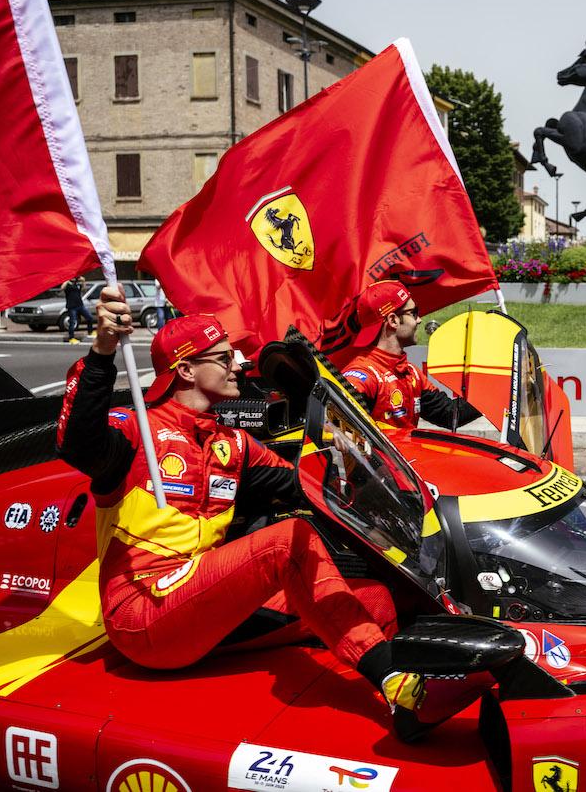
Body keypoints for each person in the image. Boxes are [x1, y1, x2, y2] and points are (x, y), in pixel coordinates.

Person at [56, 286, 479, 741]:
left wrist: (357, 464)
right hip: (143, 614)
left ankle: (405, 710)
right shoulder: (134, 430)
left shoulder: (232, 443)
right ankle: (396, 682)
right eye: (223, 357)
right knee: (286, 541)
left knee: (372, 598)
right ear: (184, 369)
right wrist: (101, 351)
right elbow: (75, 441)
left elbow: (306, 484)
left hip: (204, 604)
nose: (239, 364)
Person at [341, 280, 481, 429]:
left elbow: (450, 414)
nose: (419, 320)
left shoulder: (411, 373)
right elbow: (333, 417)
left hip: (403, 452)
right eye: (413, 313)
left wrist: (497, 394)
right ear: (393, 320)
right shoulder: (365, 375)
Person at [62, 275, 94, 343]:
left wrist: (83, 281)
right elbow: (62, 288)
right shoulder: (68, 285)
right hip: (72, 307)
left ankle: (90, 332)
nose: (74, 278)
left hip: (80, 305)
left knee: (90, 318)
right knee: (72, 322)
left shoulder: (77, 284)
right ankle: (71, 338)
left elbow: (83, 290)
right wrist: (67, 279)